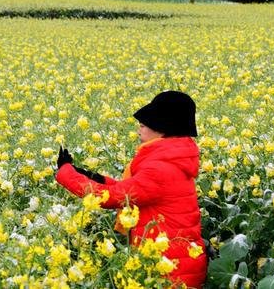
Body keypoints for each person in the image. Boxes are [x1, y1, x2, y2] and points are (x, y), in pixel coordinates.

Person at [55, 91, 208, 288]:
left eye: (147, 122)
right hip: (175, 263)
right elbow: (131, 189)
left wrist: (66, 173)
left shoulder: (160, 168)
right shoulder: (171, 159)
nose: (140, 126)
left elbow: (113, 197)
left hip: (170, 272)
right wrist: (93, 177)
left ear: (164, 128)